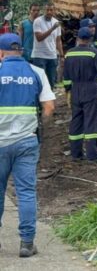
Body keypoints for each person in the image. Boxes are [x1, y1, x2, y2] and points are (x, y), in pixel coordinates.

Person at [0, 33, 56, 257]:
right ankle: (26, 243)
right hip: (26, 142)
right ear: (21, 51)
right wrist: (38, 125)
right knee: (25, 192)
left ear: (1, 53)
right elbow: (49, 107)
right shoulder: (37, 72)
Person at [62, 27, 97, 162]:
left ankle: (76, 154)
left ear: (77, 38)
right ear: (90, 39)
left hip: (75, 90)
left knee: (76, 120)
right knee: (91, 121)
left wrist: (67, 90)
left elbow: (65, 75)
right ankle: (92, 155)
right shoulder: (94, 53)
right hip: (90, 89)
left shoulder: (69, 54)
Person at [31, 3, 63, 88]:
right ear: (44, 11)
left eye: (51, 10)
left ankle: (50, 99)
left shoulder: (56, 22)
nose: (49, 12)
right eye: (47, 10)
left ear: (54, 11)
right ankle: (39, 100)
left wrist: (62, 55)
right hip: (39, 56)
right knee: (40, 80)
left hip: (52, 55)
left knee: (51, 81)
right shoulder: (37, 21)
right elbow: (39, 38)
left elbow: (58, 40)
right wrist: (52, 28)